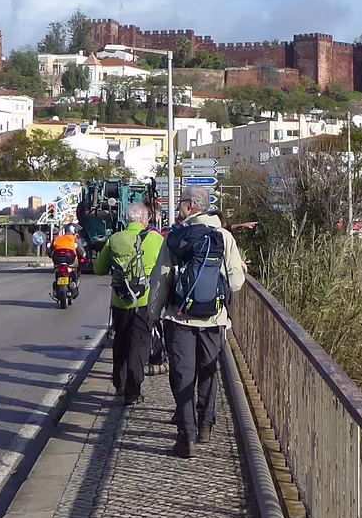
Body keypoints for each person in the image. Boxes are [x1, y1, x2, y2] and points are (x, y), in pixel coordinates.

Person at [155, 187, 248, 458]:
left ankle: (187, 437)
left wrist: (153, 314)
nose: (179, 208)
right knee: (208, 371)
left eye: (181, 203)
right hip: (214, 318)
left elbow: (162, 279)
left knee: (182, 374)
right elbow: (236, 283)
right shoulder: (224, 236)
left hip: (179, 317)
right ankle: (206, 425)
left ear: (190, 206)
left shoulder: (176, 236)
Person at [93, 201, 162, 404]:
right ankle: (133, 392)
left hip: (120, 301)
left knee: (121, 342)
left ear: (127, 219)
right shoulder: (155, 239)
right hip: (144, 301)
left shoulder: (114, 238)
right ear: (144, 219)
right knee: (139, 345)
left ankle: (119, 384)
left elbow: (99, 269)